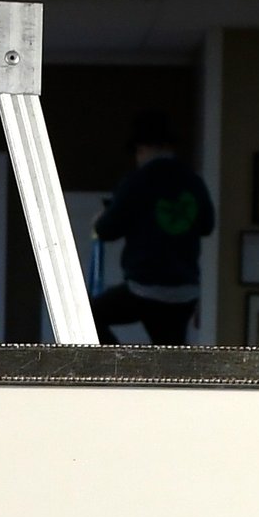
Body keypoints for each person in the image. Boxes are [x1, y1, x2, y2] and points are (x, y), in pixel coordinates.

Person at [91, 109, 216, 344]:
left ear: (142, 148)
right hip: (185, 291)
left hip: (145, 288)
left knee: (89, 317)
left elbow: (107, 230)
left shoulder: (137, 181)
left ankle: (118, 362)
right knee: (170, 355)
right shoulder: (193, 182)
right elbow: (207, 226)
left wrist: (101, 219)